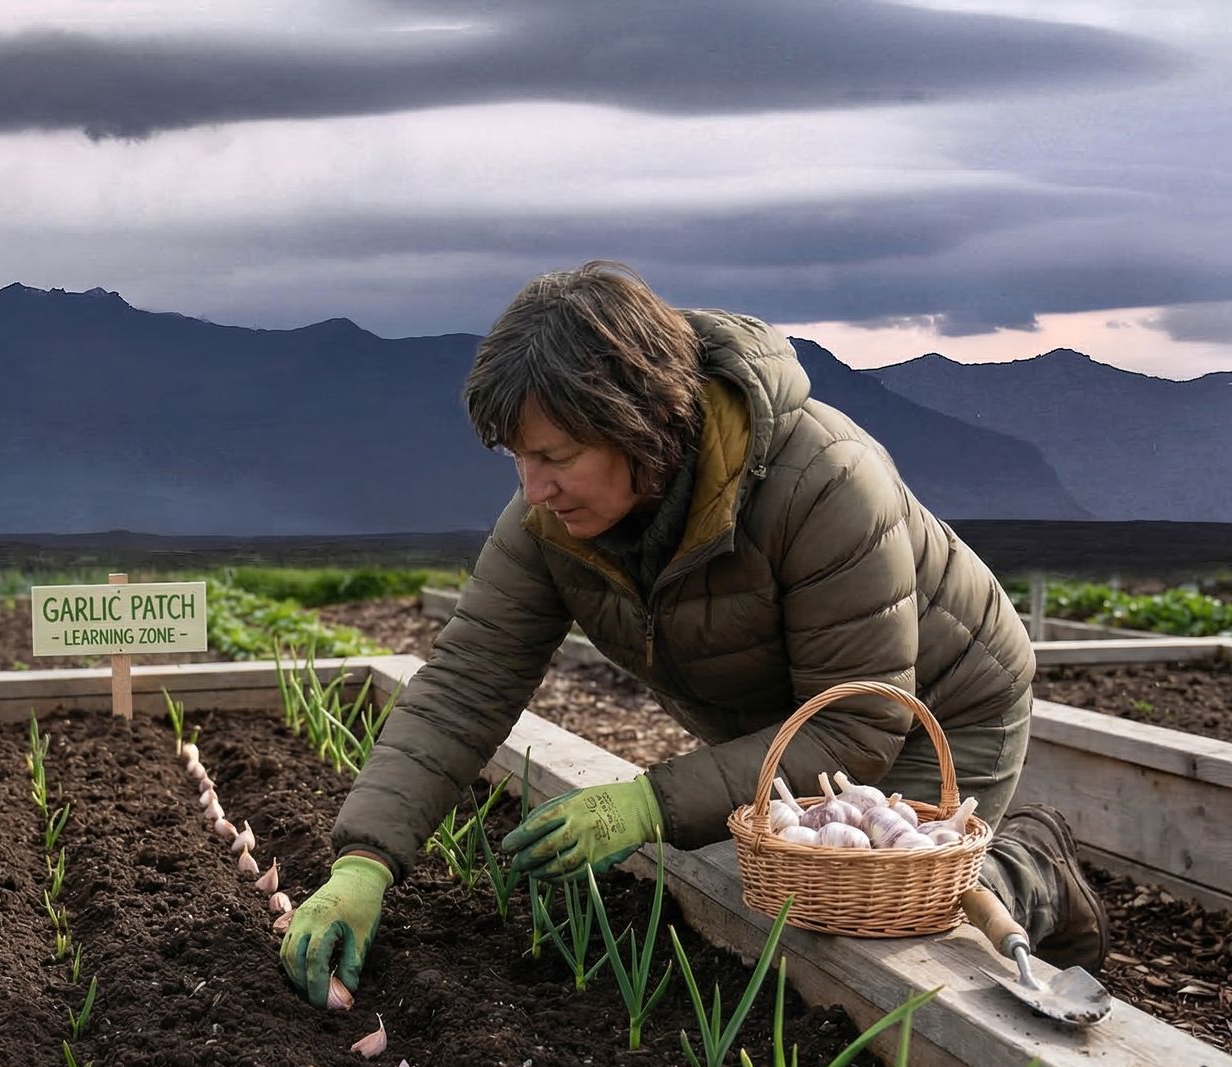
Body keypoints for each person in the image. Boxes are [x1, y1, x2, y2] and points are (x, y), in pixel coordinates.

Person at [279, 260, 1109, 1009]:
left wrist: (651, 803)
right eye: (518, 459)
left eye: (557, 455)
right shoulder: (550, 524)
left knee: (878, 916)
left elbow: (857, 724)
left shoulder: (823, 480)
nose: (535, 489)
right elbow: (466, 682)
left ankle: (1033, 868)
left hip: (935, 708)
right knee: (768, 901)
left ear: (640, 421)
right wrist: (366, 858)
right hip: (784, 725)